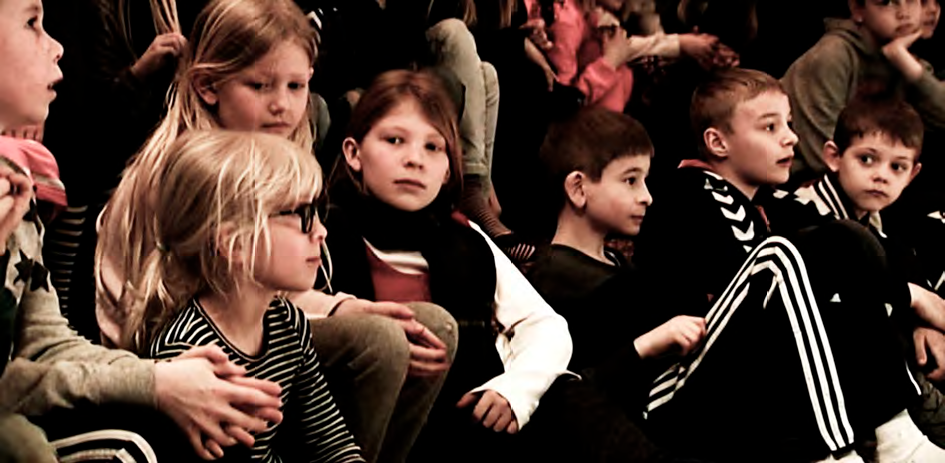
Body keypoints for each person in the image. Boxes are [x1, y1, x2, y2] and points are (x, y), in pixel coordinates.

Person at [94, 1, 455, 461]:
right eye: (260, 85)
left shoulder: (280, 154)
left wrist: (343, 306)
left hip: (262, 319)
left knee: (431, 326)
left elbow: (272, 291)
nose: (282, 105)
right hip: (177, 354)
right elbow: (176, 306)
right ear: (208, 86)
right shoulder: (181, 175)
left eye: (296, 86)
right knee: (377, 342)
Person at [0, 0, 285, 461]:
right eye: (33, 23)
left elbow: (43, 345)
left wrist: (160, 379)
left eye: (297, 85)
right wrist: (154, 381)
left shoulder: (15, 182)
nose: (57, 47)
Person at [632, 67, 945, 462]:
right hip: (680, 388)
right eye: (770, 126)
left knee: (844, 250)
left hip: (754, 384)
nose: (791, 137)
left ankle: (901, 439)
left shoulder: (773, 204)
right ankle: (843, 452)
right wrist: (908, 298)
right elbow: (756, 297)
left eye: (789, 124)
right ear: (717, 142)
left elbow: (872, 249)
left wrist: (920, 310)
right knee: (791, 262)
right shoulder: (685, 199)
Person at [325, 68, 572, 463]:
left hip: (461, 423)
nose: (414, 160)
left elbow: (544, 325)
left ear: (447, 171)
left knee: (571, 400)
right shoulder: (321, 233)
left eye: (433, 147)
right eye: (394, 140)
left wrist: (514, 390)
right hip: (359, 432)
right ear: (354, 153)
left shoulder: (465, 238)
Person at [124, 129, 364, 462]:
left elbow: (330, 443)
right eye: (301, 214)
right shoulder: (191, 354)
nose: (321, 232)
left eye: (317, 211)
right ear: (232, 243)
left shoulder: (287, 321)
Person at [781, 0, 945, 186]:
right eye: (887, 3)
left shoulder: (901, 59)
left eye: (911, 1)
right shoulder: (832, 55)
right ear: (858, 9)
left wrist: (904, 61)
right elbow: (821, 152)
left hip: (867, 177)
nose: (904, 13)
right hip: (802, 184)